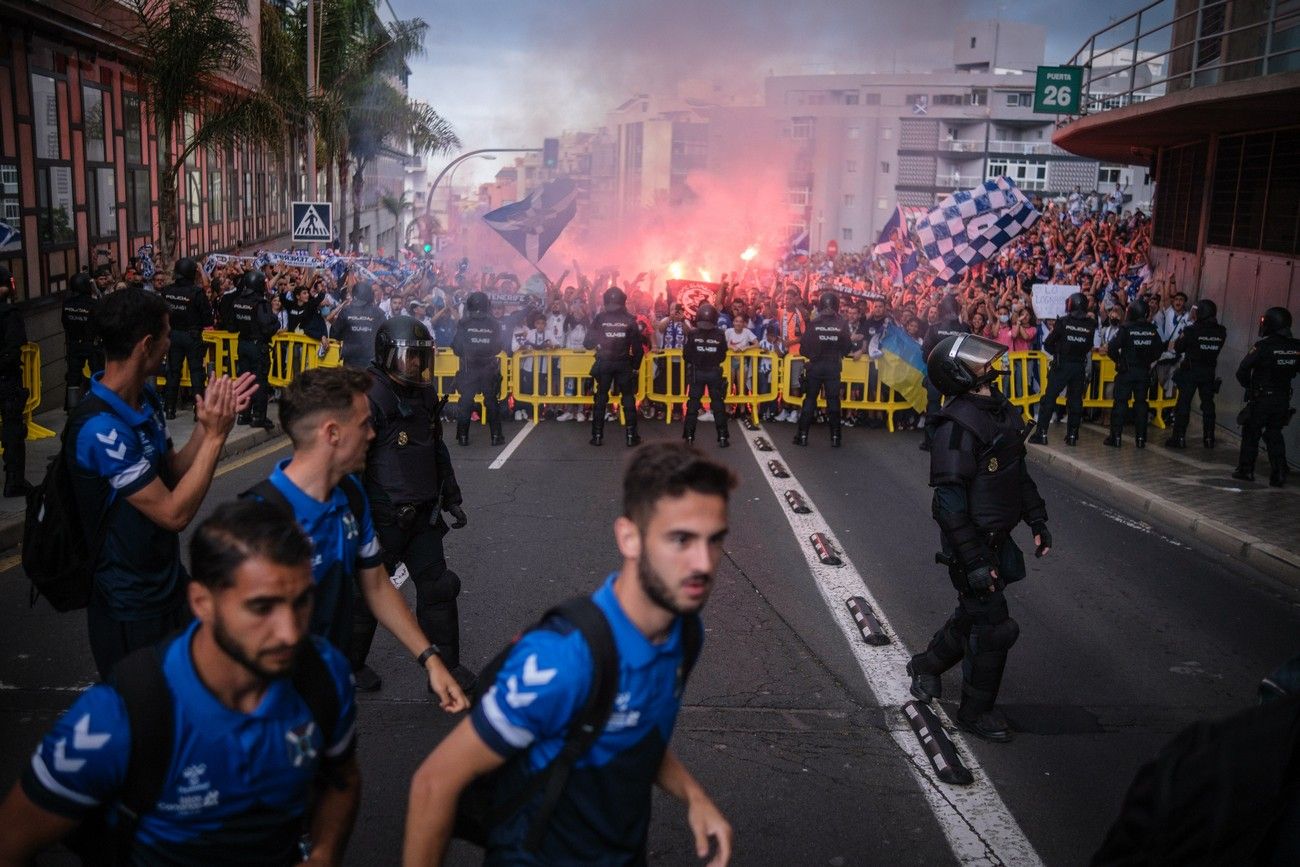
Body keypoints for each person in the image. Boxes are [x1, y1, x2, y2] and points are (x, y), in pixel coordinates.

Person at [403, 443, 735, 865]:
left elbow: (634, 734)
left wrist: (694, 796)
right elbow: (434, 784)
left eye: (715, 540)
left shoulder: (686, 633)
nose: (703, 563)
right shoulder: (564, 658)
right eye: (681, 539)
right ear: (629, 537)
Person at [0, 500, 362, 865]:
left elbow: (341, 778)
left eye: (301, 602)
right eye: (261, 608)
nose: (289, 633)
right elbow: (12, 841)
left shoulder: (325, 673)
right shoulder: (120, 716)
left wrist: (324, 853)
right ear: (202, 602)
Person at [70, 289, 257, 679]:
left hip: (169, 586)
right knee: (151, 724)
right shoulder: (99, 428)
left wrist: (205, 431)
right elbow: (173, 512)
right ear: (146, 345)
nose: (172, 344)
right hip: (129, 608)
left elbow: (169, 473)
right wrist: (219, 439)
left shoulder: (146, 398)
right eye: (168, 335)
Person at [255, 366, 468, 709]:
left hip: (332, 709)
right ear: (333, 433)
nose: (372, 435)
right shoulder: (260, 522)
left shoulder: (353, 496)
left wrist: (433, 661)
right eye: (363, 424)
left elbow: (378, 587)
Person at [908, 334, 1051, 743]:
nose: (986, 365)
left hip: (996, 539)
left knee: (974, 615)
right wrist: (972, 560)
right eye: (975, 362)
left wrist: (1037, 520)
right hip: (970, 543)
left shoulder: (999, 411)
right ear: (957, 374)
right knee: (994, 627)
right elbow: (948, 507)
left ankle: (926, 666)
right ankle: (975, 712)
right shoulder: (956, 426)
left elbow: (1016, 474)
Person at [350, 316, 475, 693]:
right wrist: (353, 518)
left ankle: (447, 670)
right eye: (409, 359)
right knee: (365, 594)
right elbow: (351, 464)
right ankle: (348, 668)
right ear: (386, 356)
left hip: (422, 513)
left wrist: (450, 494)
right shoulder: (370, 395)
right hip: (383, 515)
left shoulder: (423, 393)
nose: (417, 366)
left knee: (439, 587)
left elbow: (434, 447)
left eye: (422, 358)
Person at [1233, 307, 1300, 486]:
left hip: (1262, 397)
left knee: (1251, 432)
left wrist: (1251, 386)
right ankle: (1279, 473)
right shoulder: (1296, 347)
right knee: (1274, 433)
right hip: (1282, 398)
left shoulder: (1263, 346)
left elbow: (1242, 371)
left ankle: (1246, 470)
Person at [1029, 292, 1096, 446]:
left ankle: (1042, 434)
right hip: (1079, 366)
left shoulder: (1064, 322)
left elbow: (1048, 343)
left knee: (1049, 399)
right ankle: (1072, 436)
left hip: (1062, 365)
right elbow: (1089, 346)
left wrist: (1058, 353)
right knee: (1075, 402)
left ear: (1071, 304)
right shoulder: (1090, 325)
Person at [585, 286, 645, 447]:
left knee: (601, 398)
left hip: (604, 363)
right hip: (623, 363)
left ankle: (597, 436)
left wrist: (600, 341)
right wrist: (635, 366)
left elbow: (587, 344)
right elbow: (638, 349)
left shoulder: (600, 318)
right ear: (623, 302)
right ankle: (632, 436)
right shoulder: (630, 320)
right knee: (628, 398)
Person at [219, 268, 279, 430]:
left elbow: (231, 326)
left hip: (242, 344)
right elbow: (267, 327)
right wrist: (276, 322)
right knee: (259, 381)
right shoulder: (260, 303)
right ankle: (259, 416)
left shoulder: (237, 301)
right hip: (257, 346)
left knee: (244, 380)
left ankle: (244, 414)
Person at [794, 292, 853, 447]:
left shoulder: (814, 323)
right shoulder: (842, 323)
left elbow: (803, 349)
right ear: (837, 305)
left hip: (816, 366)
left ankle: (802, 436)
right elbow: (847, 348)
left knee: (810, 400)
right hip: (833, 367)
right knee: (833, 401)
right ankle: (835, 437)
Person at [1166, 298, 1227, 449]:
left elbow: (1179, 347)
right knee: (1208, 406)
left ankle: (1179, 437)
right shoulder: (1221, 331)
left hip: (1191, 371)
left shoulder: (1191, 330)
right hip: (1208, 372)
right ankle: (1209, 438)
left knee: (1183, 405)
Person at [1104, 298, 1162, 448]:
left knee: (1120, 404)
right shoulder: (1151, 329)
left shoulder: (1126, 328)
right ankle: (1141, 439)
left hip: (1127, 371)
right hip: (1143, 372)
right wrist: (1147, 361)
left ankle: (1115, 437)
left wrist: (1119, 361)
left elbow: (1111, 348)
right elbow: (1158, 350)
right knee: (1141, 405)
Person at [450, 290, 505, 447]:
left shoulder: (464, 323)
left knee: (466, 402)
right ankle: (496, 436)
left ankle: (462, 437)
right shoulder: (494, 323)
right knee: (491, 402)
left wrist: (468, 354)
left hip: (469, 369)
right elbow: (498, 347)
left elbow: (457, 347)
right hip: (488, 367)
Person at [160, 257, 210, 420]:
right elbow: (207, 318)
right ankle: (198, 410)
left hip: (173, 335)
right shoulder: (197, 292)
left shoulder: (167, 291)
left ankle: (169, 409)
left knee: (173, 373)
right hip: (192, 336)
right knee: (196, 373)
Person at [920, 292, 970, 451]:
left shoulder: (934, 329)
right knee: (955, 408)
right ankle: (952, 442)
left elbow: (926, 353)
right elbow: (968, 352)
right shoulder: (964, 328)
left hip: (936, 373)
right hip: (956, 374)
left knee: (933, 407)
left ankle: (930, 442)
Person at [683, 303, 730, 447]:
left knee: (693, 405)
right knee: (718, 405)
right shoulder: (720, 334)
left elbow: (686, 355)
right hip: (714, 373)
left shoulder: (692, 333)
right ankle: (722, 437)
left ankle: (689, 437)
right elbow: (723, 356)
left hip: (697, 373)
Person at [0, 266, 29, 497]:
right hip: (6, 380)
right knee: (13, 430)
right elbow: (13, 348)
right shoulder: (10, 314)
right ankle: (14, 480)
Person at [61, 271, 101, 410]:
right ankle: (98, 404)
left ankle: (71, 407)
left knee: (73, 377)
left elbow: (65, 323)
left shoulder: (67, 304)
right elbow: (99, 323)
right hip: (91, 343)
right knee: (97, 374)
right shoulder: (93, 304)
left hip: (73, 343)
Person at [332, 279, 385, 369]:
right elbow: (384, 334)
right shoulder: (378, 312)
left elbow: (334, 334)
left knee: (351, 382)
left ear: (354, 295)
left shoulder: (346, 311)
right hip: (370, 360)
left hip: (351, 359)